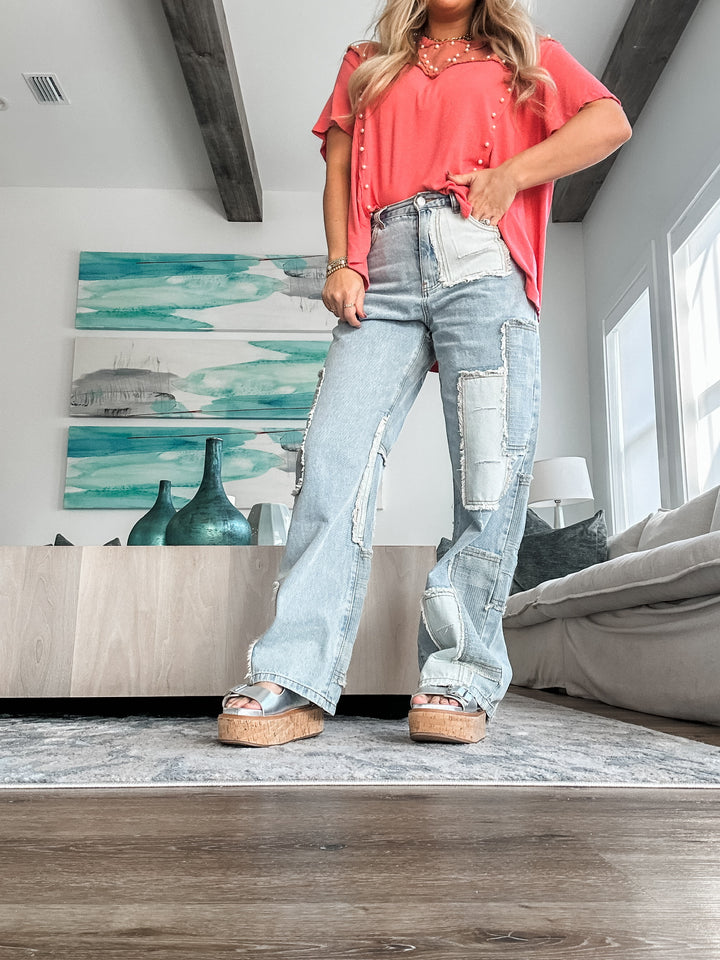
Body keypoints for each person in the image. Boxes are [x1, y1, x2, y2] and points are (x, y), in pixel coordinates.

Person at [217, 0, 631, 747]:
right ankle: (293, 676)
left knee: (487, 477)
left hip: (481, 260)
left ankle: (459, 674)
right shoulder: (367, 62)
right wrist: (343, 261)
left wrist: (511, 175)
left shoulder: (525, 56)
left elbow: (609, 122)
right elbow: (340, 165)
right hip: (382, 270)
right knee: (332, 466)